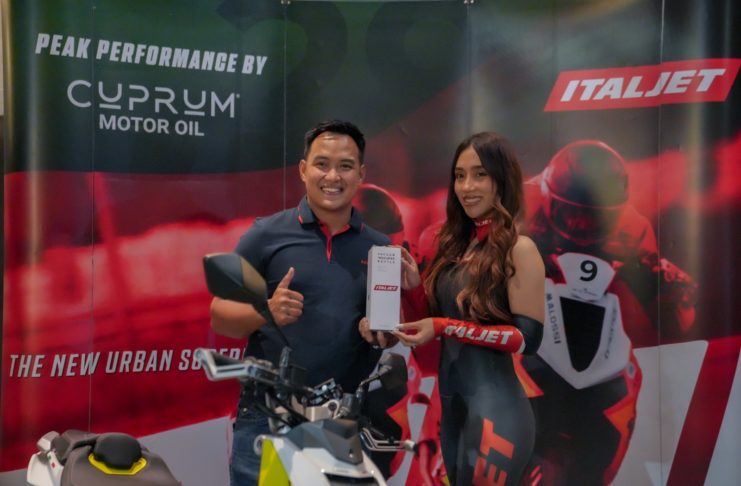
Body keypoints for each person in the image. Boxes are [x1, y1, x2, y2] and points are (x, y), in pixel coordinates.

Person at [210, 120, 390, 486]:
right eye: (322, 164)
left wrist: (379, 332)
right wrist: (267, 312)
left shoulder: (381, 248)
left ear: (361, 174)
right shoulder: (266, 234)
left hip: (342, 424)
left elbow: (388, 332)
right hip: (268, 419)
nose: (332, 177)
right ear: (304, 170)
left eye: (345, 166)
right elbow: (219, 316)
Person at [361, 132, 545, 485]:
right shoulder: (454, 250)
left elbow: (527, 340)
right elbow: (429, 347)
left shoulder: (519, 249)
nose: (467, 186)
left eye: (480, 174)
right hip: (452, 409)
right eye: (460, 176)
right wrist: (414, 289)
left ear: (502, 180)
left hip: (498, 414)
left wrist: (444, 326)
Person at [516, 140, 696, 485]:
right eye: (572, 214)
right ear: (549, 197)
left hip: (595, 318)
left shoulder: (634, 228)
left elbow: (671, 316)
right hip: (531, 306)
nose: (582, 226)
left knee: (630, 375)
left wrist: (669, 287)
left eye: (595, 217)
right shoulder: (521, 205)